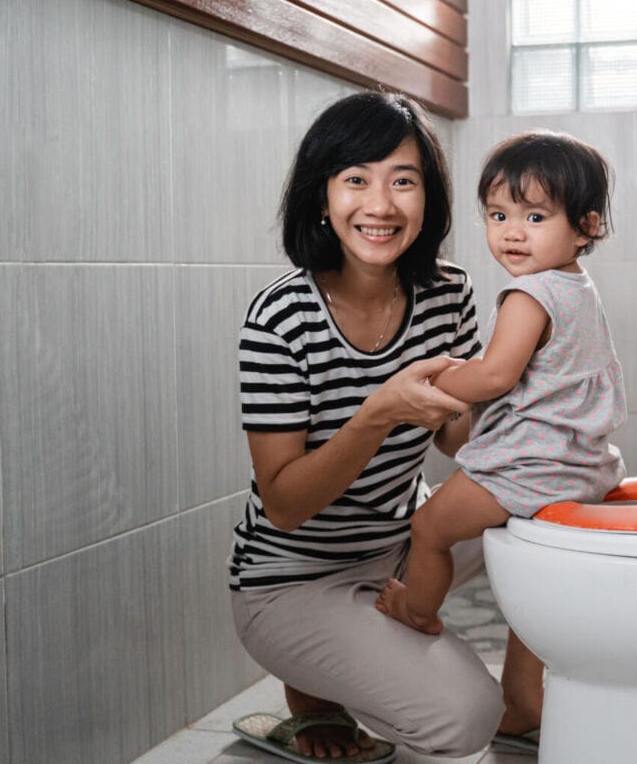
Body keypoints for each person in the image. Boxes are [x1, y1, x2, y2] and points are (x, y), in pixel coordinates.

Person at [228, 92, 543, 763]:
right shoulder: (279, 320)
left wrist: (544, 414)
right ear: (322, 196)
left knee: (556, 508)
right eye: (356, 180)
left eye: (404, 181)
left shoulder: (445, 292)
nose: (381, 204)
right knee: (462, 717)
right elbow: (284, 505)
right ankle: (316, 685)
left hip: (401, 542)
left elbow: (457, 437)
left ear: (428, 199)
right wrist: (380, 412)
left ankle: (526, 704)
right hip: (292, 580)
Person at [374, 130, 627, 637]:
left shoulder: (529, 294)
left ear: (585, 227)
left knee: (426, 529)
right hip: (582, 465)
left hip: (526, 471)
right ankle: (522, 698)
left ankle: (418, 612)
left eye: (535, 218)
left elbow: (494, 374)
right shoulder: (578, 287)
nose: (513, 233)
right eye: (498, 215)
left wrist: (442, 376)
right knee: (537, 584)